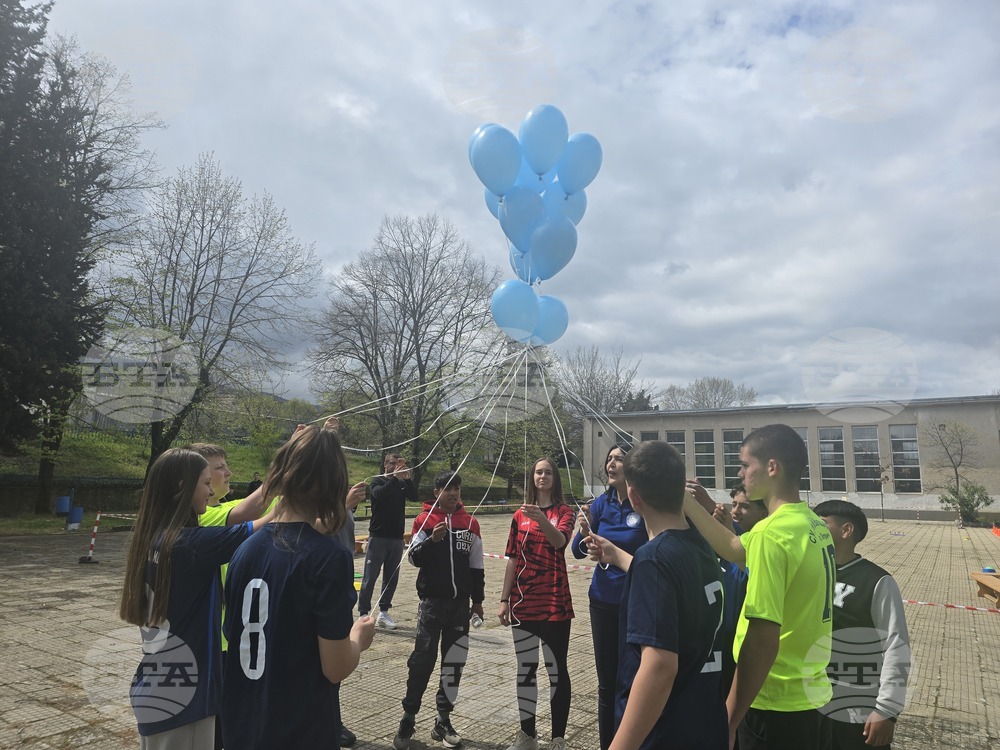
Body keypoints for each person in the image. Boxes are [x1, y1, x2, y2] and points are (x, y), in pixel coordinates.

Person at [222, 424, 376, 750]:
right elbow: (335, 667)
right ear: (334, 485)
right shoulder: (328, 557)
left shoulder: (243, 550)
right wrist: (358, 640)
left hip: (242, 725)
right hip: (299, 728)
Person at [682, 424, 835, 750]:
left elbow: (762, 639)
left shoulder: (770, 535)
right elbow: (735, 548)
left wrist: (730, 718)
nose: (741, 473)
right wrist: (688, 503)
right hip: (811, 696)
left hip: (773, 700)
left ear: (771, 467)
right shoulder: (810, 524)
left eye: (745, 465)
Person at [119, 448, 273, 749]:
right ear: (181, 487)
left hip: (160, 688)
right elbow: (269, 522)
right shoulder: (189, 546)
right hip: (183, 702)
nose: (211, 489)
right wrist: (294, 468)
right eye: (205, 482)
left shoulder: (158, 538)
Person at [585, 440, 727, 750]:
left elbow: (659, 667)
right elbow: (674, 583)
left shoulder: (655, 559)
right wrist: (619, 556)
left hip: (665, 732)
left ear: (633, 496)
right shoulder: (700, 546)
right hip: (704, 722)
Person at [393, 471, 485, 750]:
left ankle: (442, 720)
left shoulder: (470, 523)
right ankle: (408, 717)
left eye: (456, 488)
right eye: (446, 488)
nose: (452, 493)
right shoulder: (424, 520)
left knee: (454, 662)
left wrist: (478, 602)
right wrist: (431, 541)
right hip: (432, 604)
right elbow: (413, 558)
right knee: (422, 660)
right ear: (436, 493)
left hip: (459, 606)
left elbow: (477, 565)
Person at [814, 500, 910, 750]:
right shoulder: (810, 573)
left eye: (820, 524)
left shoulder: (877, 581)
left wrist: (887, 710)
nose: (812, 529)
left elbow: (896, 646)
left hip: (856, 704)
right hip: (810, 698)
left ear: (846, 530)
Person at [570, 442, 647, 750]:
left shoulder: (642, 504)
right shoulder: (600, 504)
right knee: (607, 683)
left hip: (636, 602)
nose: (612, 464)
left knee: (634, 681)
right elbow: (577, 551)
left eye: (619, 459)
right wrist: (583, 530)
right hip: (602, 601)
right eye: (610, 459)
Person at [498, 457, 575, 750]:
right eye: (538, 472)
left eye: (548, 472)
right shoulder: (519, 515)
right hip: (524, 602)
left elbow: (559, 542)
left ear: (555, 478)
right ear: (532, 478)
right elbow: (513, 559)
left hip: (555, 601)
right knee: (526, 669)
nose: (543, 476)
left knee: (557, 670)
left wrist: (542, 518)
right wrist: (504, 599)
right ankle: (527, 735)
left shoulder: (563, 512)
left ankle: (557, 738)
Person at [718, 484, 768, 701]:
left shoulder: (763, 544)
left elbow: (741, 561)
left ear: (763, 512)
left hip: (745, 639)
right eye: (734, 504)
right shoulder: (724, 538)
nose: (736, 511)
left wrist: (728, 527)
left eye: (744, 507)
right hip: (722, 634)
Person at [359, 452, 417, 629]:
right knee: (370, 577)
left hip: (396, 538)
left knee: (391, 578)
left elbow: (414, 496)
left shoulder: (401, 484)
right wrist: (394, 479)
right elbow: (378, 495)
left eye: (400, 463)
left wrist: (406, 479)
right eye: (393, 463)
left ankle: (384, 611)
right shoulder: (378, 481)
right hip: (378, 537)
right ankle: (363, 612)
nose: (396, 466)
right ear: (386, 465)